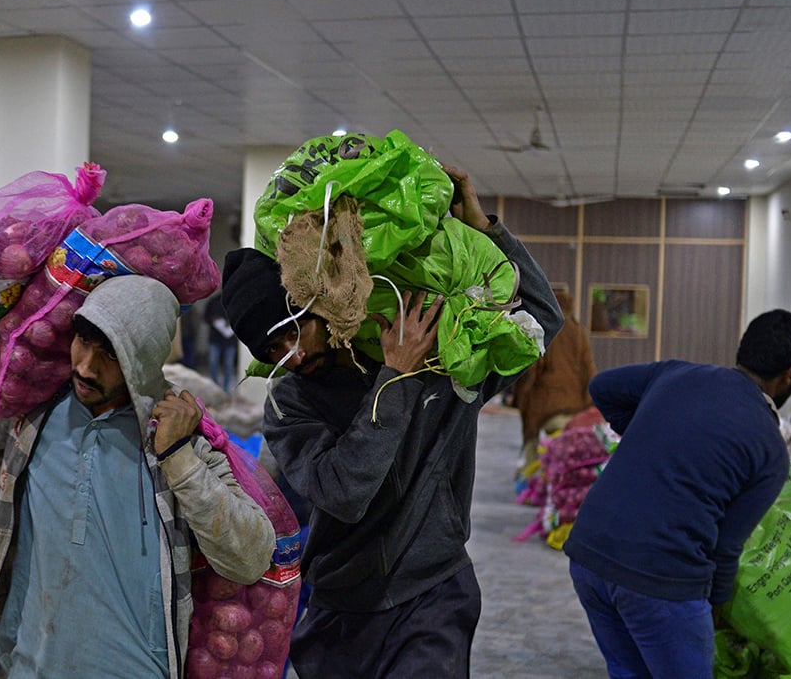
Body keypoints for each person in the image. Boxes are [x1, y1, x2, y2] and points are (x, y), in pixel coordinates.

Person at [219, 166, 565, 678]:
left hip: (433, 592)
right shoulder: (291, 404)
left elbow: (541, 322)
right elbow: (344, 491)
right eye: (271, 350)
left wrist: (488, 231)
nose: (289, 357)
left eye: (292, 332)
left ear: (318, 304)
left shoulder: (438, 359)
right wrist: (393, 378)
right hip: (342, 608)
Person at [0, 273, 275, 678]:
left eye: (111, 354)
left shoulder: (177, 436)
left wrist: (178, 457)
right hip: (30, 662)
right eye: (83, 341)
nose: (85, 367)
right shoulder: (36, 415)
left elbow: (250, 558)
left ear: (144, 358)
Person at [563, 308, 791, 678]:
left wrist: (640, 433)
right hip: (660, 577)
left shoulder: (677, 373)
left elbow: (602, 387)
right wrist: (715, 609)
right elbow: (726, 547)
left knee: (627, 671)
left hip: (588, 555)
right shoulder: (769, 451)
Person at [506, 287, 597, 467]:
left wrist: (519, 397)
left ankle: (533, 490)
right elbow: (589, 369)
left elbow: (530, 370)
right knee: (566, 465)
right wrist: (590, 404)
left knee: (535, 464)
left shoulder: (545, 329)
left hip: (544, 410)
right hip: (574, 410)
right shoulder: (579, 332)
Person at [202, 292, 237, 390]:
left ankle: (226, 389)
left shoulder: (234, 301)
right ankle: (215, 387)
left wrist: (229, 322)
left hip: (230, 340)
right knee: (213, 362)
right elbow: (205, 317)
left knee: (228, 365)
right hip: (215, 339)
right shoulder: (213, 301)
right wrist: (213, 320)